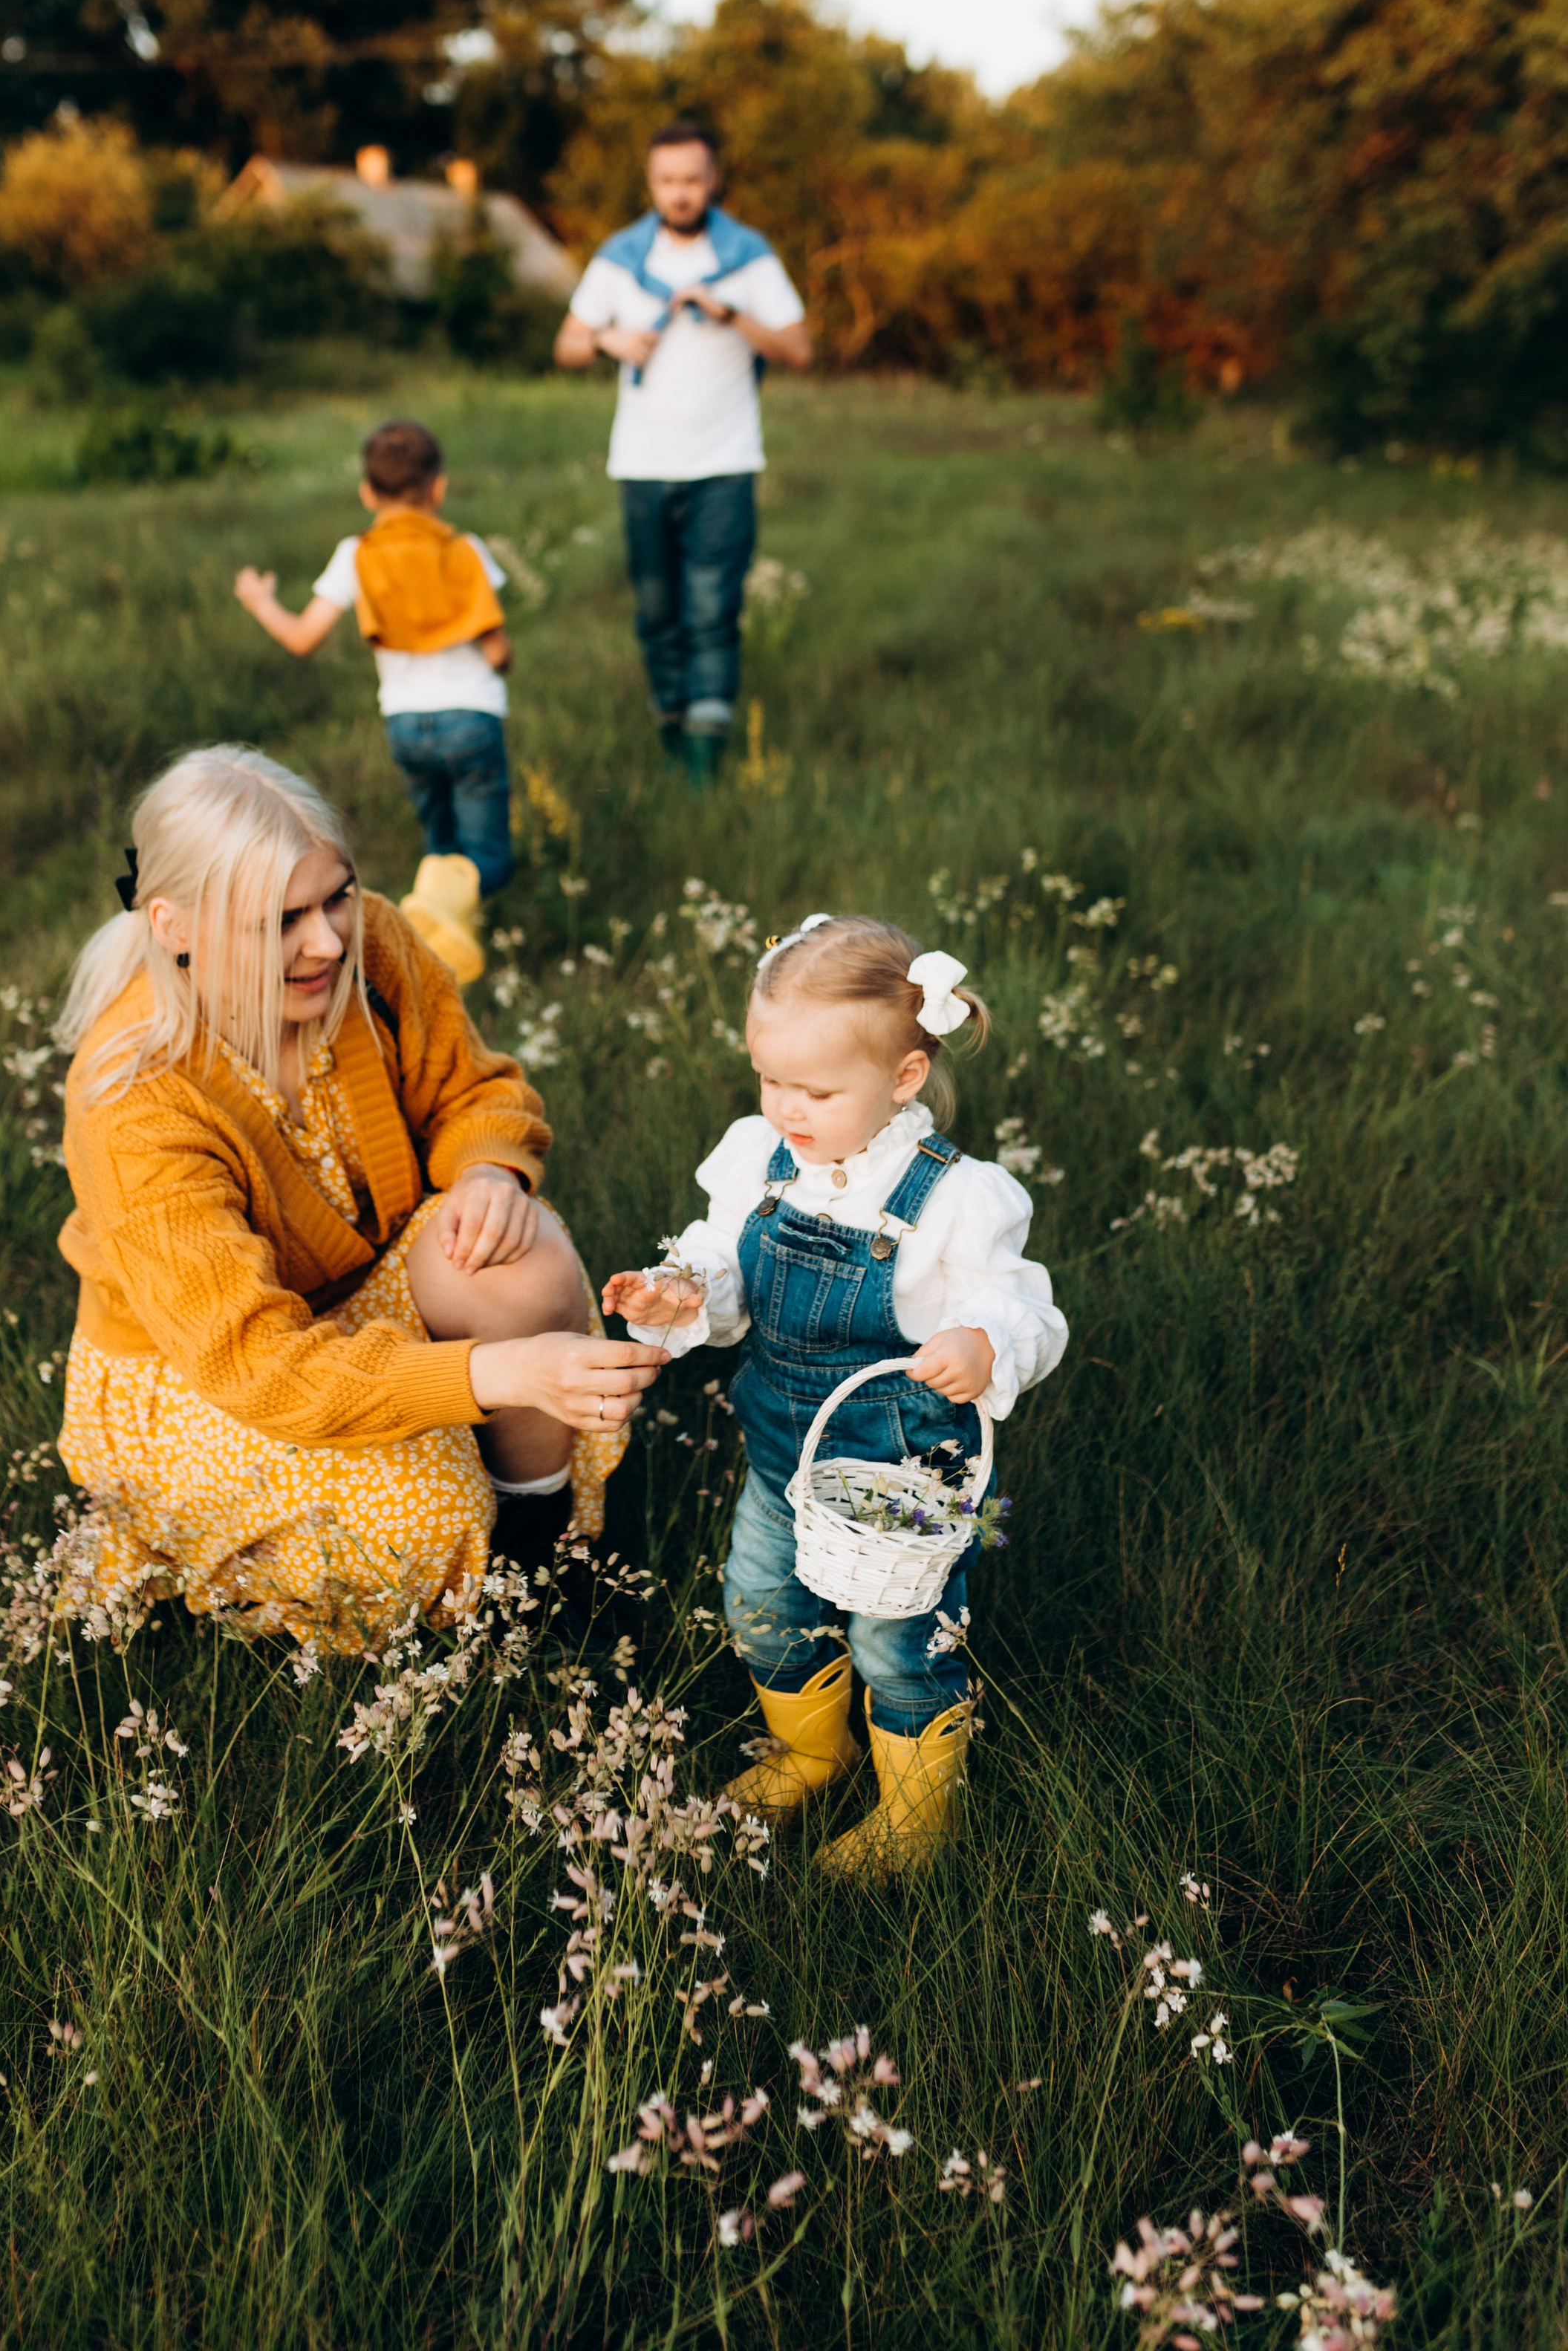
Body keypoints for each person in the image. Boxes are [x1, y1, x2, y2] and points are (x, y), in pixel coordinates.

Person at [53, 744, 662, 1640]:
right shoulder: (135, 1104)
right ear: (174, 924)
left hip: (360, 1284)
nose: (328, 940)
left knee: (520, 1253)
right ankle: (470, 1560)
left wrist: (489, 1168)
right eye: (280, 918)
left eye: (336, 894)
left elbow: (473, 1088)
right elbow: (255, 1366)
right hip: (215, 1372)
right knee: (423, 1520)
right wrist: (502, 1372)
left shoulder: (371, 946)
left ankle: (537, 1553)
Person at [603, 914, 1066, 1879]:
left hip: (903, 1475)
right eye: (770, 1080)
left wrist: (982, 1344)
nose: (788, 1108)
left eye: (817, 1090)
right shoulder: (759, 1161)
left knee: (897, 1640)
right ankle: (816, 1749)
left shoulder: (953, 1200)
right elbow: (726, 1271)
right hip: (783, 1454)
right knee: (759, 1603)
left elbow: (1024, 1309)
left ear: (902, 1079)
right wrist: (681, 1291)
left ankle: (916, 1812)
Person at [553, 122, 810, 787]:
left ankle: (704, 763)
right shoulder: (619, 257)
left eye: (693, 180)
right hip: (641, 464)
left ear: (714, 179)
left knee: (711, 611)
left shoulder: (748, 256)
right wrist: (609, 340)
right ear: (651, 183)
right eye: (668, 181)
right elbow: (567, 346)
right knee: (657, 612)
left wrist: (730, 316)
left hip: (724, 463)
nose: (681, 193)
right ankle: (671, 728)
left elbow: (798, 350)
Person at [235, 421, 510, 985]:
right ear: (439, 488)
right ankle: (435, 914)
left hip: (406, 726)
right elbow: (499, 651)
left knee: (442, 848)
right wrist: (499, 658)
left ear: (367, 492)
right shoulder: (465, 549)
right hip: (472, 716)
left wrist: (261, 601)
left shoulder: (355, 553)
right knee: (490, 858)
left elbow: (302, 639)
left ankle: (449, 945)